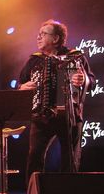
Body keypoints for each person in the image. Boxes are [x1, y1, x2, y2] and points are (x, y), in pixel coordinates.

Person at [18, 19, 95, 184]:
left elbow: (92, 82)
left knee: (70, 158)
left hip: (69, 115)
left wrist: (83, 80)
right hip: (41, 116)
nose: (38, 37)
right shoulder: (34, 60)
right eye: (38, 34)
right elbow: (22, 83)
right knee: (34, 158)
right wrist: (23, 87)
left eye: (43, 34)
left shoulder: (75, 56)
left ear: (56, 39)